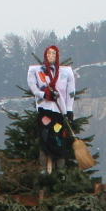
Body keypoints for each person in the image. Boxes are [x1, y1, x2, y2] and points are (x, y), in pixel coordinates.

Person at [27, 45, 77, 173]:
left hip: (60, 111)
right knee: (45, 137)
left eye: (53, 54)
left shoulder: (66, 73)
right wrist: (43, 94)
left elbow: (70, 92)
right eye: (48, 53)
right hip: (44, 109)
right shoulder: (36, 71)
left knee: (59, 137)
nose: (51, 56)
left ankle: (60, 170)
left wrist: (69, 109)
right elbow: (33, 86)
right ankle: (44, 168)